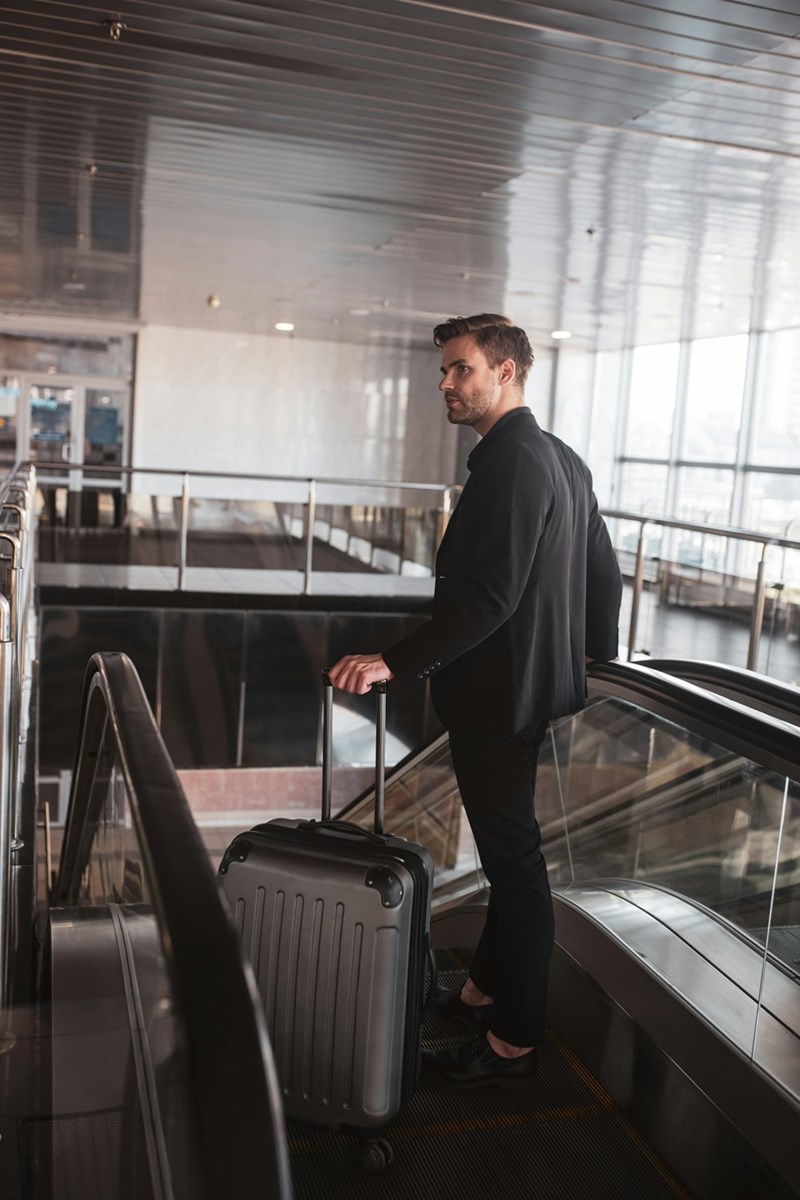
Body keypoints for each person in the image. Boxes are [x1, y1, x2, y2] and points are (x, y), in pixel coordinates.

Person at [328, 314, 622, 1088]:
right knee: (505, 850)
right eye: (444, 372)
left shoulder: (511, 460)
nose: (446, 385)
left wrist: (393, 662)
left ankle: (514, 1041)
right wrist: (598, 652)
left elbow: (489, 597)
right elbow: (603, 568)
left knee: (516, 868)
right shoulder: (561, 459)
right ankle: (482, 990)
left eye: (460, 370)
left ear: (505, 373)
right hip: (532, 687)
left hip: (499, 696)